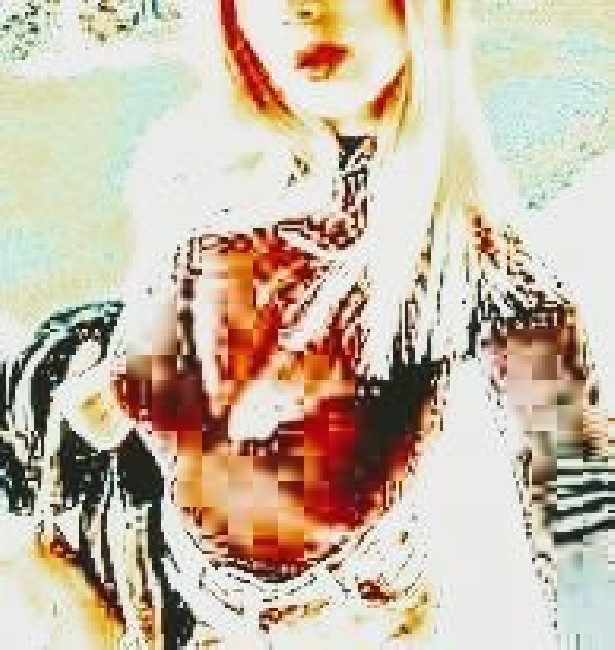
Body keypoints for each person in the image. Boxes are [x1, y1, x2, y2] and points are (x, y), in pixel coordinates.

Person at [0, 1, 607, 648]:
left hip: (334, 614)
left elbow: (582, 523)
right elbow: (123, 398)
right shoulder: (189, 176)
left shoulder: (475, 261)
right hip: (148, 557)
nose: (300, 9)